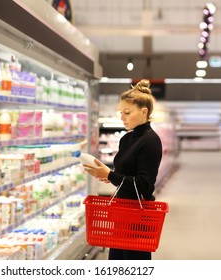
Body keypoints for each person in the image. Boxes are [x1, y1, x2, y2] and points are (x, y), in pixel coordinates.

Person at [83, 78, 163, 260]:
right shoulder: (126, 139)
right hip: (121, 211)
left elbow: (143, 184)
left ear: (144, 112)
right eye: (120, 112)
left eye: (127, 112)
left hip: (138, 216)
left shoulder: (151, 141)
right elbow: (126, 175)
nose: (122, 117)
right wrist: (108, 176)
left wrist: (111, 175)